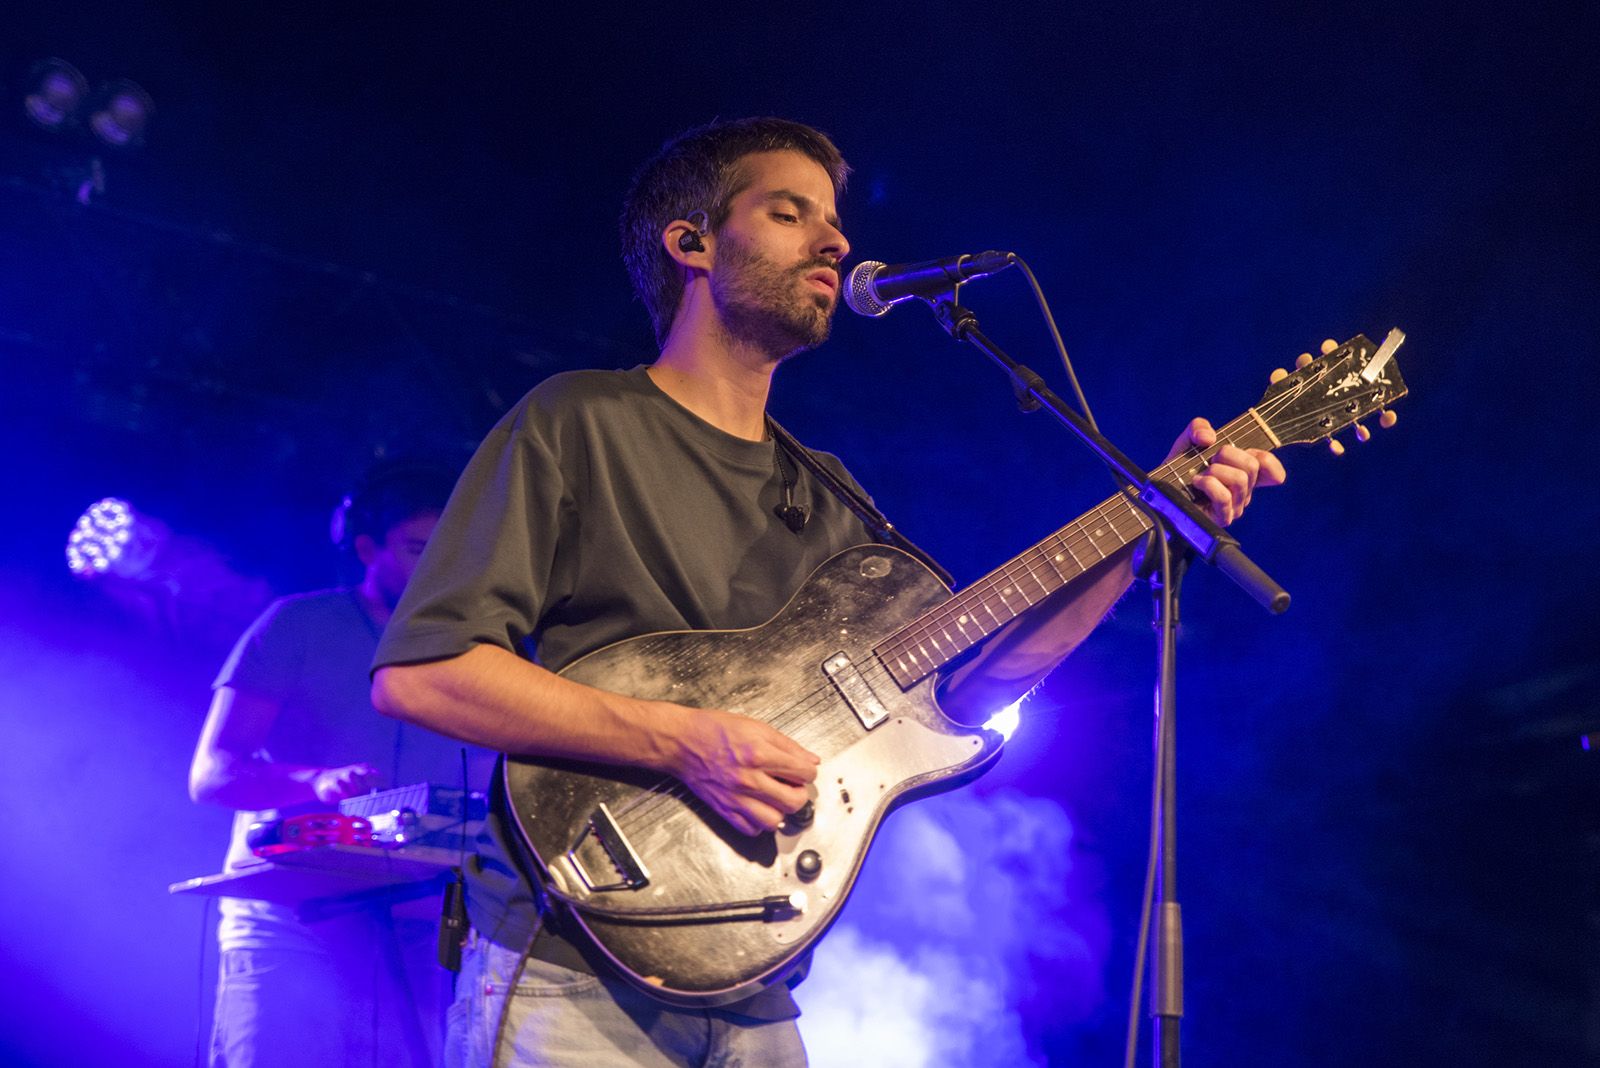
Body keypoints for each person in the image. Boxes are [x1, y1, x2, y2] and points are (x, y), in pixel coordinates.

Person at [370, 117, 1287, 1067]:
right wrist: (687, 742)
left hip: (760, 984)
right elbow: (423, 676)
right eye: (789, 213)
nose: (838, 241)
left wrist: (1141, 533)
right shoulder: (580, 420)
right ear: (691, 242)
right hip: (570, 964)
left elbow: (961, 702)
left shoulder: (831, 492)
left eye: (835, 219)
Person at [190, 459, 494, 1068]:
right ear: (365, 549)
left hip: (420, 923)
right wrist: (317, 782)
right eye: (416, 548)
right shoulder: (296, 625)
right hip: (291, 921)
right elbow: (212, 775)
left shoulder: (481, 650)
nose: (435, 566)